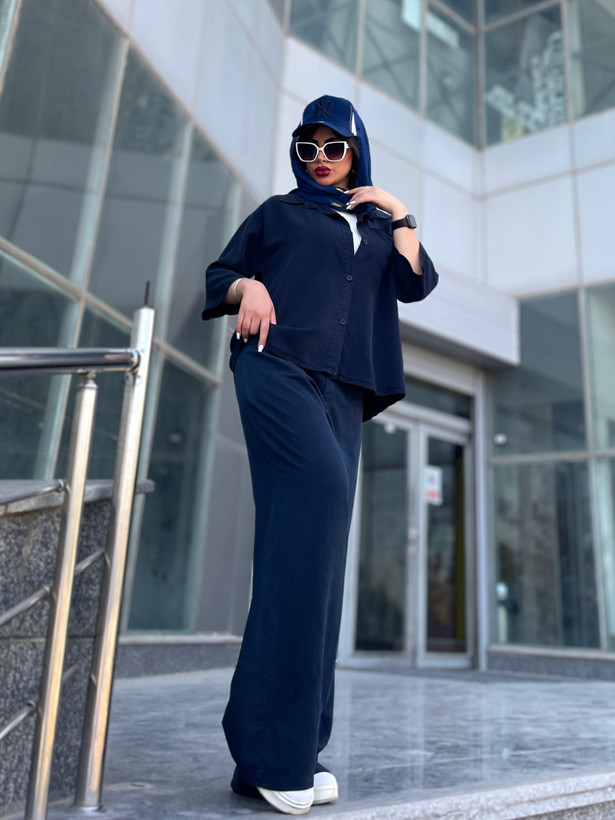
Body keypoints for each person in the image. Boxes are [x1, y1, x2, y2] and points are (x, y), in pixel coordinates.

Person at [202, 94, 438, 815]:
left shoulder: (379, 227)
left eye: (335, 147)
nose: (321, 158)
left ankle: (289, 747)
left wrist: (399, 212)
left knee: (315, 561)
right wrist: (250, 285)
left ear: (355, 151)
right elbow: (219, 276)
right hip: (276, 367)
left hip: (345, 390)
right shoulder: (278, 213)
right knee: (317, 510)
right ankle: (273, 751)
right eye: (309, 148)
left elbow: (415, 284)